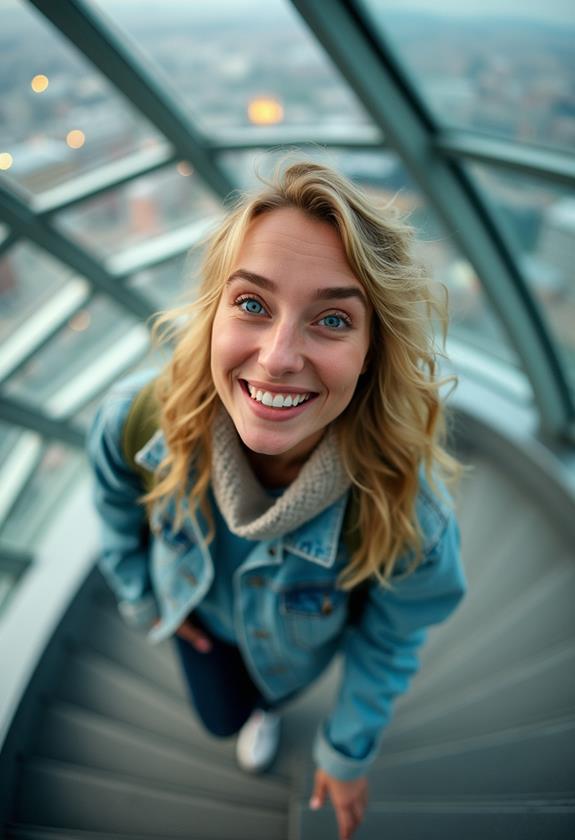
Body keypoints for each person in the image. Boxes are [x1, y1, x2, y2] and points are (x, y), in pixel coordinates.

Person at [87, 161, 466, 840]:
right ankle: (253, 711)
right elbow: (115, 507)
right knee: (220, 715)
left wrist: (345, 752)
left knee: (262, 696)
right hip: (195, 619)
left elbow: (390, 640)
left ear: (373, 351)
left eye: (330, 319)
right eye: (253, 305)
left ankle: (267, 704)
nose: (277, 357)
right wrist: (144, 598)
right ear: (214, 313)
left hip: (294, 652)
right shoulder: (136, 422)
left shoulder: (407, 515)